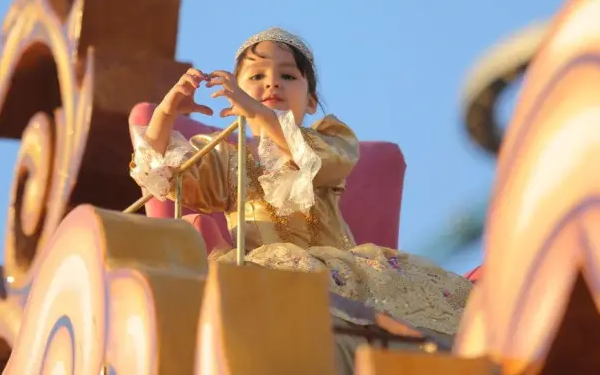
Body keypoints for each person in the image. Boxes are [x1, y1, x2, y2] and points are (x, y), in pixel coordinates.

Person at [129, 27, 472, 338]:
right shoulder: (226, 156)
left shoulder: (326, 140)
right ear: (232, 95)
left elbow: (323, 162)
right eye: (257, 75)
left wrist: (257, 111)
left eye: (288, 75)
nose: (272, 83)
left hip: (337, 272)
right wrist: (166, 114)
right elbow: (162, 176)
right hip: (258, 270)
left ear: (310, 101)